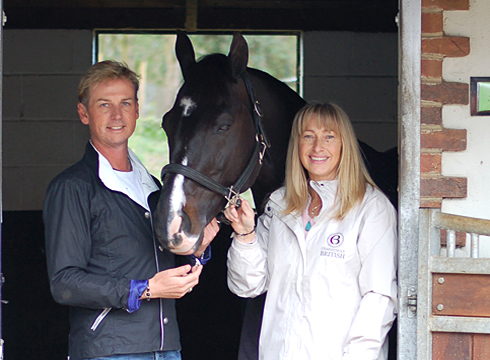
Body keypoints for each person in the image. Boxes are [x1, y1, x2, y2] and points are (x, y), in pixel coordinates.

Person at [44, 60, 219, 360]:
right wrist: (144, 290)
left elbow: (160, 265)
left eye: (125, 103)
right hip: (109, 351)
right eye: (103, 105)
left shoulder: (153, 186)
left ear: (137, 110)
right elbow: (64, 284)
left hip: (166, 349)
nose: (116, 114)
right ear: (84, 113)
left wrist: (196, 250)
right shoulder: (72, 187)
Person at [224, 102, 398, 360]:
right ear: (298, 144)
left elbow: (379, 297)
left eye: (329, 136)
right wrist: (245, 235)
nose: (318, 147)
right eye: (308, 136)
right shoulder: (279, 204)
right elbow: (248, 286)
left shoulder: (371, 208)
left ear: (344, 144)